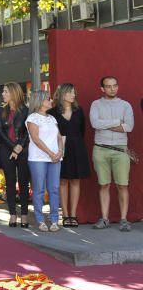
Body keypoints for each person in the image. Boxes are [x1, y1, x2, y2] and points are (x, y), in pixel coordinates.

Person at [90, 76, 135, 231]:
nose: (112, 89)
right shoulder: (96, 104)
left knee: (122, 185)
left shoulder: (125, 105)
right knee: (104, 184)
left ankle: (123, 219)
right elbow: (95, 124)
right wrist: (117, 122)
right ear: (102, 89)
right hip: (100, 149)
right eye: (108, 86)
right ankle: (105, 218)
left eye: (115, 85)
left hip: (121, 150)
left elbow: (129, 127)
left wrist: (105, 125)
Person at [50, 83, 90, 228]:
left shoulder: (79, 111)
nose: (74, 95)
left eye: (74, 92)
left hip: (77, 148)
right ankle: (65, 215)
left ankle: (73, 214)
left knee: (75, 181)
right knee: (62, 181)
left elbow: (82, 131)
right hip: (60, 149)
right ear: (63, 94)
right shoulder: (52, 112)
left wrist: (76, 144)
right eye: (71, 92)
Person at [26, 91, 64, 232]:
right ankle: (40, 220)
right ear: (40, 101)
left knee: (54, 189)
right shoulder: (32, 118)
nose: (51, 100)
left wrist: (59, 152)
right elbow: (36, 139)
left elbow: (59, 137)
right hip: (38, 158)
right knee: (39, 189)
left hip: (55, 157)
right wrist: (50, 153)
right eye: (48, 99)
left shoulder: (52, 118)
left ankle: (54, 220)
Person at [0, 82, 31, 228]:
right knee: (10, 182)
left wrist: (19, 147)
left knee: (24, 183)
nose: (3, 94)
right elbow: (0, 131)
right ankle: (12, 214)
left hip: (23, 151)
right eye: (3, 91)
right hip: (7, 150)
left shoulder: (26, 111)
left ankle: (24, 214)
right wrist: (13, 147)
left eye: (5, 91)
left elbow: (29, 132)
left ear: (13, 93)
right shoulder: (1, 111)